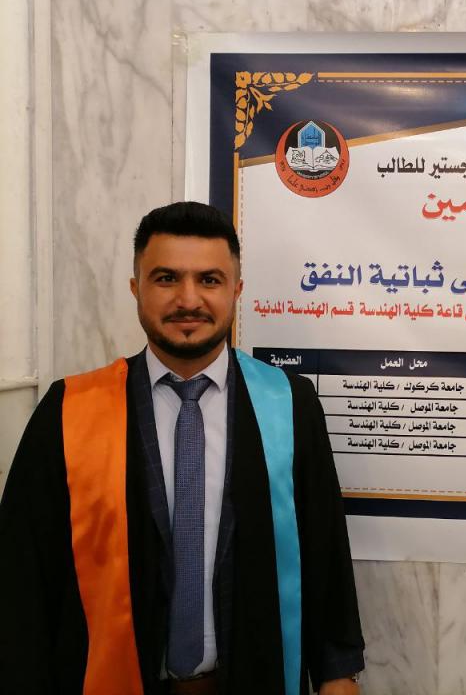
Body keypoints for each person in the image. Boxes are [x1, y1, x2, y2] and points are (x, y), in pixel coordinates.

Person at [0, 202, 364, 694]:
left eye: (210, 280)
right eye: (166, 278)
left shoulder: (290, 404)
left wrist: (338, 672)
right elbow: (21, 575)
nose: (188, 300)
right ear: (136, 288)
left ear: (236, 290)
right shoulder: (68, 412)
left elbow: (323, 547)